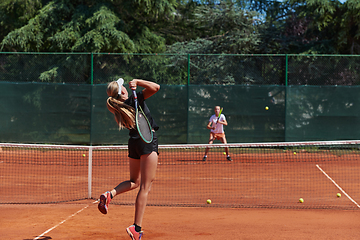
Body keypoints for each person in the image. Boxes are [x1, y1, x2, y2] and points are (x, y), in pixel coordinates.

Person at [98, 78, 160, 240]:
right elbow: (156, 87)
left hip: (133, 142)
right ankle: (136, 228)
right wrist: (139, 81)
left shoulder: (119, 108)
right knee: (145, 187)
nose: (125, 86)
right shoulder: (135, 99)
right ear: (123, 91)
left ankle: (110, 194)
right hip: (147, 140)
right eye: (123, 86)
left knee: (135, 181)